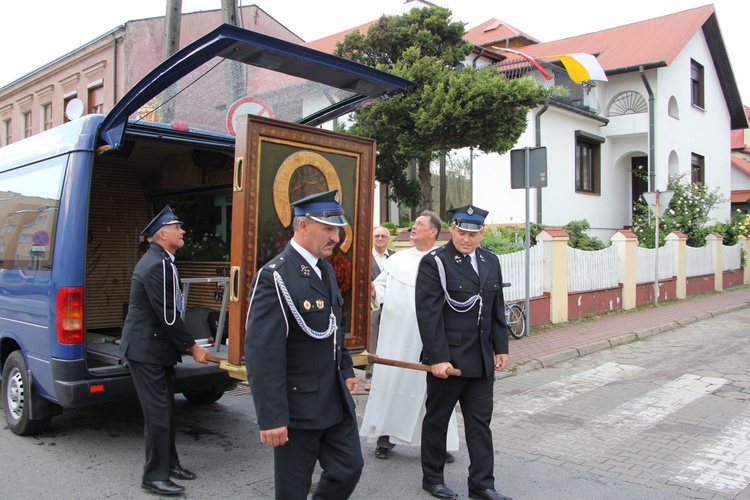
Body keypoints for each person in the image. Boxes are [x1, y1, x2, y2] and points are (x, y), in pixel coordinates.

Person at [245, 190, 363, 500]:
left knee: (348, 468)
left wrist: (347, 368)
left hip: (333, 398)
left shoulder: (324, 268)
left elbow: (333, 328)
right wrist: (271, 417)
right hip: (298, 406)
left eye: (337, 230)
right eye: (328, 229)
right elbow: (262, 355)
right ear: (303, 227)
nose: (335, 237)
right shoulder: (275, 277)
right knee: (293, 490)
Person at [415, 205, 511, 500]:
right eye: (461, 232)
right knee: (437, 419)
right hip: (450, 359)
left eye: (473, 234)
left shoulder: (490, 260)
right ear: (452, 230)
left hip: (482, 359)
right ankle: (432, 479)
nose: (466, 239)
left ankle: (482, 484)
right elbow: (428, 314)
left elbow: (496, 307)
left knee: (480, 424)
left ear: (482, 233)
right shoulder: (436, 263)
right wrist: (438, 357)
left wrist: (501, 347)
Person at [119, 205, 211, 496]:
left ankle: (169, 464)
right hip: (146, 351)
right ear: (162, 234)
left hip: (156, 350)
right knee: (158, 414)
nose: (183, 232)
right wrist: (192, 347)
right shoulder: (157, 264)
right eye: (177, 227)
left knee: (167, 411)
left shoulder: (163, 261)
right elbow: (169, 315)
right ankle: (154, 476)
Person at [360, 212, 460, 462]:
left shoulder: (443, 261)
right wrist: (373, 290)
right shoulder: (397, 260)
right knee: (392, 382)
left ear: (433, 232)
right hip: (396, 336)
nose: (412, 227)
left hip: (429, 338)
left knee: (432, 391)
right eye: (413, 224)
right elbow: (381, 289)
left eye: (419, 225)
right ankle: (385, 437)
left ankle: (438, 443)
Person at [366, 226, 395, 389]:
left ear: (388, 239)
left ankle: (389, 375)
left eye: (383, 236)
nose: (380, 238)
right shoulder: (365, 256)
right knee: (373, 338)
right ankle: (371, 376)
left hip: (392, 303)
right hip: (372, 304)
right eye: (377, 235)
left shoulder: (395, 257)